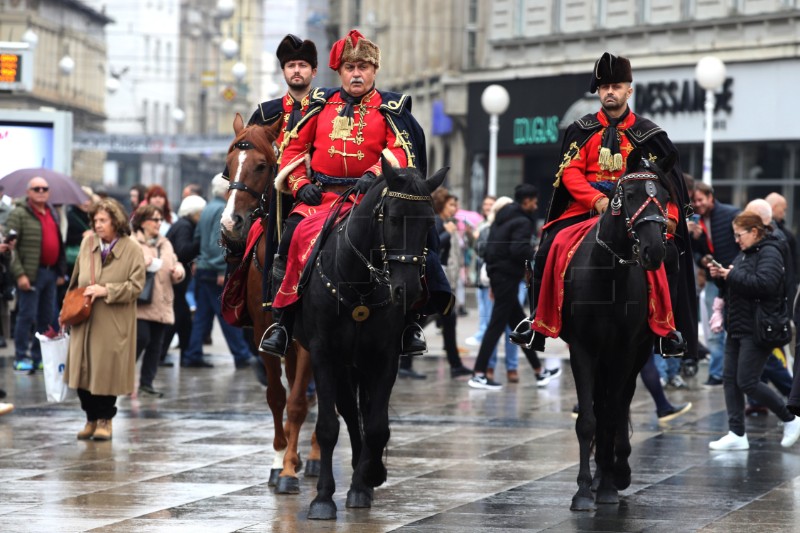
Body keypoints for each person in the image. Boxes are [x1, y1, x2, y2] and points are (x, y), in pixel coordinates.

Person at [260, 29, 450, 358]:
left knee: (408, 242)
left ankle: (410, 322)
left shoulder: (392, 108)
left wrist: (375, 174)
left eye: (363, 67)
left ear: (375, 71)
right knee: (290, 236)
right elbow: (292, 149)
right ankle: (283, 319)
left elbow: (401, 153)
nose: (356, 74)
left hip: (372, 199)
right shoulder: (319, 105)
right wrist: (300, 185)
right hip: (323, 198)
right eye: (350, 68)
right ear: (340, 72)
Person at [520, 52, 695, 361]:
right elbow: (569, 173)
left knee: (668, 255)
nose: (609, 92)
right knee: (546, 250)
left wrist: (669, 217)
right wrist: (597, 199)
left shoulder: (650, 134)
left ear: (629, 90)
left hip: (638, 214)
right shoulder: (582, 129)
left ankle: (667, 331)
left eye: (616, 86)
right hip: (585, 210)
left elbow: (668, 182)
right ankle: (537, 323)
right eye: (604, 88)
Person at [705, 211, 800, 450]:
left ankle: (790, 418)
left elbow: (766, 285)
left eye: (739, 235)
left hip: (758, 329)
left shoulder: (770, 251)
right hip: (738, 325)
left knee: (746, 381)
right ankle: (737, 433)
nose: (736, 240)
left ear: (754, 232)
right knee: (730, 380)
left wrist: (732, 274)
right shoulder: (746, 253)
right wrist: (721, 278)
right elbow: (738, 286)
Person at [62, 198, 146, 441]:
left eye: (103, 220)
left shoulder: (132, 248)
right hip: (83, 319)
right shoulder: (88, 242)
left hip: (113, 321)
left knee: (106, 372)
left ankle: (105, 420)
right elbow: (75, 279)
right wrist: (64, 310)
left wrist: (107, 290)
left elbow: (136, 286)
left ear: (116, 222)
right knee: (81, 372)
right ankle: (89, 418)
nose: (97, 225)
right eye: (95, 220)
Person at [468, 184, 561, 390]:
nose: (536, 205)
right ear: (526, 200)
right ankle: (479, 374)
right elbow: (518, 249)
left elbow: (493, 248)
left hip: (498, 275)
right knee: (496, 326)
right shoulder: (521, 221)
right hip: (507, 277)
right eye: (534, 201)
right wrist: (536, 252)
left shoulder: (502, 218)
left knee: (520, 326)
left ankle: (539, 371)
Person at [182, 175, 253, 369]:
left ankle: (192, 353)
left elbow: (199, 238)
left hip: (204, 268)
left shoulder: (206, 209)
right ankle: (241, 354)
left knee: (202, 317)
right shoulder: (222, 209)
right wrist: (223, 269)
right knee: (225, 314)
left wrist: (199, 261)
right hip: (215, 271)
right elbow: (219, 243)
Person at [6, 176, 67, 373]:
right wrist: (20, 274)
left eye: (44, 188)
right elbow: (9, 248)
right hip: (31, 273)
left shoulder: (52, 212)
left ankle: (39, 357)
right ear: (28, 192)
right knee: (27, 315)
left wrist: (60, 271)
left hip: (50, 273)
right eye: (36, 189)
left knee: (47, 317)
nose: (41, 191)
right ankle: (21, 356)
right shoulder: (19, 213)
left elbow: (58, 242)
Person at [690, 181, 740, 386]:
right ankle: (716, 374)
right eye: (694, 201)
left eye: (701, 200)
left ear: (711, 197)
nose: (697, 204)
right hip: (712, 281)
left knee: (735, 328)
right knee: (713, 330)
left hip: (734, 279)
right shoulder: (694, 220)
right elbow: (695, 251)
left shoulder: (731, 214)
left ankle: (734, 372)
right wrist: (701, 259)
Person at [132, 205, 185, 397]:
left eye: (160, 220)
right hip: (141, 301)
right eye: (155, 220)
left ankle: (146, 384)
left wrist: (179, 271)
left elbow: (175, 261)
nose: (158, 223)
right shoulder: (132, 242)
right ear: (143, 221)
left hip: (162, 301)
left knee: (156, 344)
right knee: (142, 338)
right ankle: (124, 374)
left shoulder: (165, 243)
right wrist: (141, 263)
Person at [469, 196, 522, 382]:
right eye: (486, 205)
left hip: (510, 279)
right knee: (493, 324)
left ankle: (514, 367)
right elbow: (482, 251)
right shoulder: (487, 228)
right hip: (494, 279)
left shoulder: (512, 226)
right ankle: (486, 369)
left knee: (512, 327)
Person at [431, 187, 473, 378]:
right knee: (429, 319)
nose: (454, 208)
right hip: (439, 276)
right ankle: (405, 359)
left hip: (446, 276)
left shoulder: (446, 222)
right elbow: (433, 245)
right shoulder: (438, 222)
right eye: (451, 205)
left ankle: (455, 364)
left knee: (449, 320)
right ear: (441, 204)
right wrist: (447, 233)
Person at [161, 194, 206, 367]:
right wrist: (199, 242)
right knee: (179, 318)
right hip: (175, 279)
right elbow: (182, 250)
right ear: (194, 213)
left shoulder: (183, 224)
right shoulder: (185, 227)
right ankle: (166, 355)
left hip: (177, 281)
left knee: (184, 318)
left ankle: (187, 355)